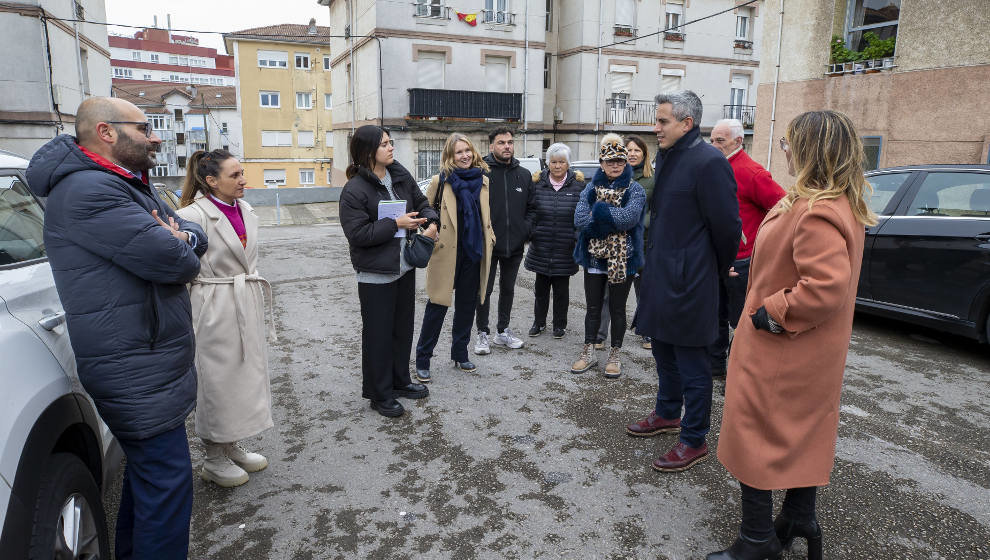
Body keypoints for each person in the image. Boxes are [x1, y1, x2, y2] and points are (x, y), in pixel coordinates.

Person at [25, 97, 207, 559]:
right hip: (134, 364)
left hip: (144, 360)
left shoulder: (122, 183)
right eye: (145, 128)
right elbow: (177, 261)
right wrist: (178, 241)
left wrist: (178, 234)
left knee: (151, 481)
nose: (155, 136)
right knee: (166, 485)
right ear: (106, 132)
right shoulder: (90, 191)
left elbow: (187, 233)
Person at [708, 111, 875, 560]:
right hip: (809, 352)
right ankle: (799, 517)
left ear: (809, 150)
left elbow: (825, 288)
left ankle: (758, 539)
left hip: (782, 348)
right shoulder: (833, 201)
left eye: (789, 143)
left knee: (754, 436)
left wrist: (771, 313)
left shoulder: (817, 210)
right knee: (802, 433)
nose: (785, 151)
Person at [627, 90, 741, 472]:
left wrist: (714, 268)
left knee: (694, 366)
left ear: (686, 123)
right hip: (661, 277)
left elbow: (727, 226)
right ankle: (667, 414)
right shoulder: (668, 157)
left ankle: (694, 439)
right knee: (663, 354)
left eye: (662, 121)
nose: (654, 128)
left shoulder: (709, 162)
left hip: (693, 282)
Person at [176, 149, 276, 486]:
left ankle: (230, 445)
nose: (242, 180)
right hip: (212, 304)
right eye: (234, 175)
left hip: (242, 299)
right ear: (211, 181)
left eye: (242, 173)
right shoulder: (192, 214)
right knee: (216, 382)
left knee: (241, 378)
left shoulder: (244, 208)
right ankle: (213, 457)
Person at [340, 126, 436, 417]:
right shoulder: (354, 189)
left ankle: (399, 381)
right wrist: (396, 224)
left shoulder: (400, 175)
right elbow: (358, 234)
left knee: (401, 330)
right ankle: (379, 394)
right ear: (368, 151)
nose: (391, 147)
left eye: (390, 142)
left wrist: (431, 221)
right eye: (385, 144)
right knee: (378, 335)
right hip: (375, 274)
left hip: (403, 267)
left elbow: (421, 203)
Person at [707, 119, 786, 378]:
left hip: (741, 261)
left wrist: (756, 241)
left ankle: (738, 374)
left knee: (740, 321)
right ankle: (716, 367)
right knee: (714, 316)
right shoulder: (715, 168)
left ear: (738, 142)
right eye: (712, 140)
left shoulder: (752, 172)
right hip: (716, 259)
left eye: (721, 141)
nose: (715, 145)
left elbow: (782, 208)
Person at [416, 133, 496, 380]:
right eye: (459, 152)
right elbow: (424, 213)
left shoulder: (483, 181)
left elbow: (486, 217)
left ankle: (460, 354)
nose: (465, 156)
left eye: (467, 150)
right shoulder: (440, 181)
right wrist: (429, 230)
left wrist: (491, 236)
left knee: (466, 306)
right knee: (437, 305)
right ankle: (423, 358)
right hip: (446, 253)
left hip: (473, 252)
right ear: (450, 156)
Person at [570, 133, 646, 379]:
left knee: (617, 308)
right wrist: (608, 218)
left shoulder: (635, 189)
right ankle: (588, 351)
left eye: (620, 161)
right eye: (610, 161)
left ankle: (615, 354)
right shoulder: (590, 187)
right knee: (592, 308)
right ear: (601, 163)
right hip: (593, 258)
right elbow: (579, 219)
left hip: (623, 258)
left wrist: (599, 212)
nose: (615, 165)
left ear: (626, 163)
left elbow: (630, 218)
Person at [474, 127, 534, 354]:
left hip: (515, 245)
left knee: (508, 289)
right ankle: (482, 333)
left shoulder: (524, 175)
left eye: (510, 142)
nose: (507, 146)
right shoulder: (481, 173)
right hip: (487, 245)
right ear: (491, 146)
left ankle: (503, 330)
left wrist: (525, 230)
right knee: (484, 290)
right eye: (501, 143)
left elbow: (532, 208)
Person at [596, 135, 656, 350]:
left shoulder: (652, 179)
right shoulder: (613, 177)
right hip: (614, 243)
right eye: (628, 150)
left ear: (644, 154)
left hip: (643, 242)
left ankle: (647, 332)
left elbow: (656, 211)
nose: (632, 154)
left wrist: (637, 222)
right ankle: (600, 335)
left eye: (636, 150)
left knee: (645, 291)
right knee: (608, 292)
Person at [525, 143, 584, 339]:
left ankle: (559, 325)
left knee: (561, 291)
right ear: (547, 163)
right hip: (541, 245)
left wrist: (576, 238)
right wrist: (532, 232)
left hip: (565, 247)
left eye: (561, 162)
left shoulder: (578, 187)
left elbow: (582, 216)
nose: (557, 166)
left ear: (568, 164)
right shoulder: (537, 185)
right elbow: (530, 212)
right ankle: (538, 323)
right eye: (553, 162)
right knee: (540, 290)